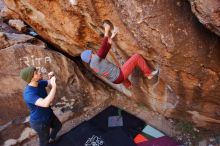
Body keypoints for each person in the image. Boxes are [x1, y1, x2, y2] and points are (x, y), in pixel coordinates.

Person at [80, 21, 159, 88]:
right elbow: (103, 47)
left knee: (117, 70)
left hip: (115, 79)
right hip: (119, 75)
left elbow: (104, 51)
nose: (94, 53)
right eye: (92, 53)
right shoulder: (95, 59)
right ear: (90, 56)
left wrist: (111, 39)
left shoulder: (93, 64)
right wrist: (106, 30)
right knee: (136, 57)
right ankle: (148, 74)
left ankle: (128, 85)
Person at [20, 66, 62, 146]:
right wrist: (54, 87)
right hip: (39, 122)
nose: (40, 73)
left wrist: (52, 77)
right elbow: (45, 103)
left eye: (38, 71)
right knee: (44, 142)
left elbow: (51, 82)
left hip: (48, 114)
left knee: (58, 126)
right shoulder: (28, 94)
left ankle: (52, 139)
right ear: (31, 78)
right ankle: (47, 141)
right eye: (36, 73)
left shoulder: (39, 83)